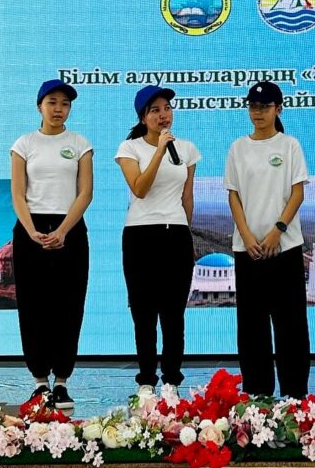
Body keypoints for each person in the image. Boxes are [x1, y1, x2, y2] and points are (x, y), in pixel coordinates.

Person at [10, 79, 94, 411]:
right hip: (30, 230)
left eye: (65, 103)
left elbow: (85, 193)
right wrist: (32, 230)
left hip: (69, 229)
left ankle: (61, 382)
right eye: (52, 102)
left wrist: (62, 231)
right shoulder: (24, 144)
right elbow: (18, 193)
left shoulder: (80, 143)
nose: (59, 109)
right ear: (39, 106)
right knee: (33, 306)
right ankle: (39, 382)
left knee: (68, 305)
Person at [225, 81, 310, 399]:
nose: (258, 113)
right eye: (253, 106)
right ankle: (258, 395)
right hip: (248, 250)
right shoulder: (238, 148)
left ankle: (295, 395)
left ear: (278, 109)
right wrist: (247, 236)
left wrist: (277, 230)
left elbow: (297, 192)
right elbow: (233, 195)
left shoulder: (289, 146)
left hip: (284, 247)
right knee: (252, 327)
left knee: (291, 325)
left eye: (264, 107)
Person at [115, 85, 199, 397]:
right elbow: (140, 188)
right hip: (140, 235)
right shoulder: (130, 148)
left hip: (175, 234)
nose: (163, 115)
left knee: (174, 314)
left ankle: (172, 381)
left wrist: (185, 231)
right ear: (143, 117)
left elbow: (187, 197)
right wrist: (160, 151)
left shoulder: (187, 149)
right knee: (144, 312)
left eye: (167, 108)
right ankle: (147, 381)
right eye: (155, 110)